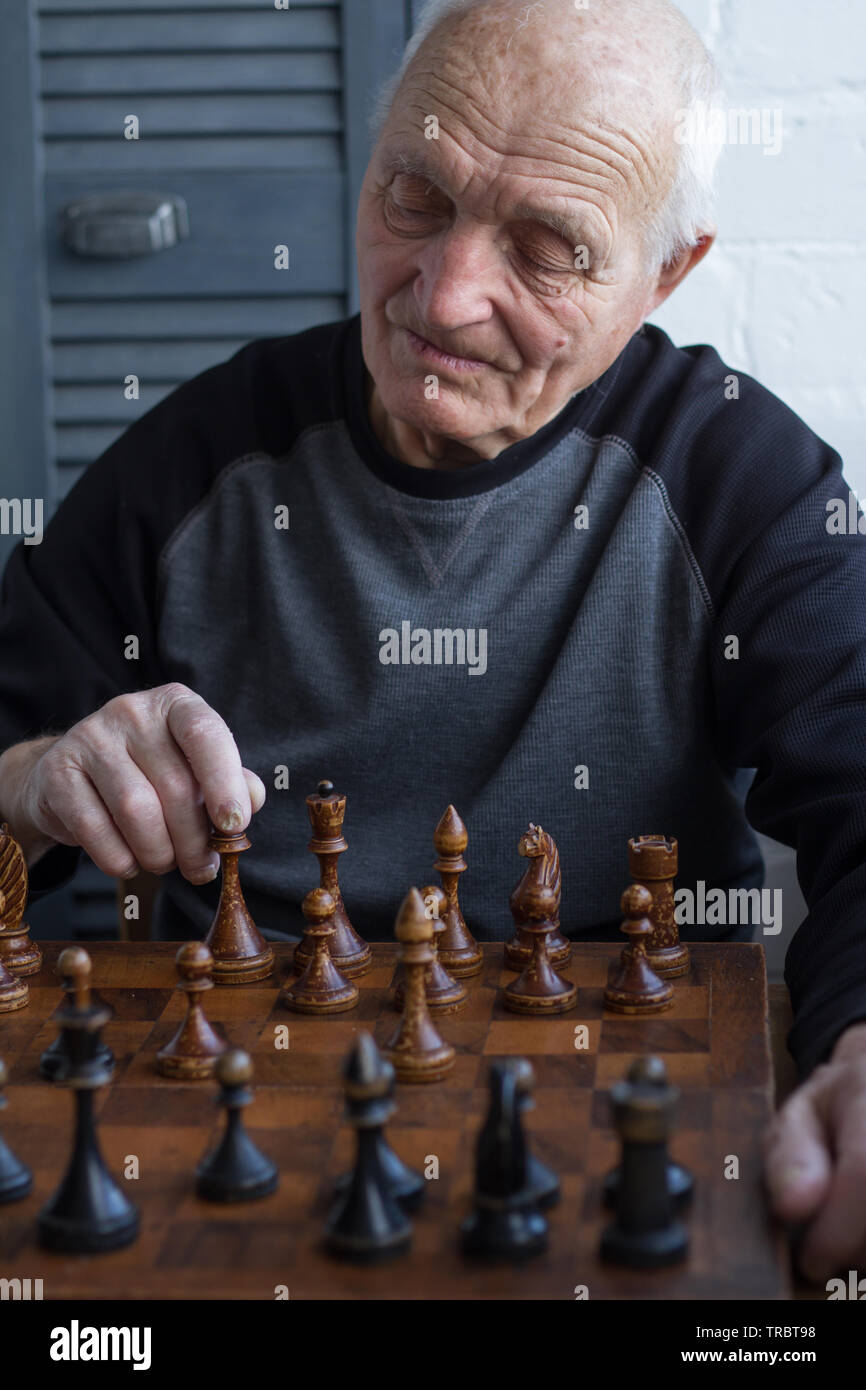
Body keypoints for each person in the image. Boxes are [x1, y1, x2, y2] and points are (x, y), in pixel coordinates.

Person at [0, 0, 864, 1284]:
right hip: (234, 1112)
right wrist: (32, 776)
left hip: (618, 1098)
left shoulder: (744, 479)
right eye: (415, 191)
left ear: (663, 273)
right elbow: (9, 736)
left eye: (546, 244)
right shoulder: (198, 454)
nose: (444, 293)